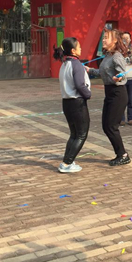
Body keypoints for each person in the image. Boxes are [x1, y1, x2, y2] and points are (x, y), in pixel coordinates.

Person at [86, 29, 131, 166]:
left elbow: (123, 75)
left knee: (111, 126)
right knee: (106, 126)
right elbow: (103, 72)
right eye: (103, 37)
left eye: (106, 37)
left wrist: (118, 78)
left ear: (115, 41)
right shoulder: (108, 56)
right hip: (109, 93)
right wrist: (89, 70)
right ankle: (120, 153)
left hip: (118, 93)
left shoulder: (117, 56)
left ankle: (123, 155)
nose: (104, 40)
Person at [54, 37, 91, 173]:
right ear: (73, 51)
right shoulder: (76, 64)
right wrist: (88, 94)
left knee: (74, 134)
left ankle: (68, 160)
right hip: (77, 103)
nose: (81, 49)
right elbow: (80, 85)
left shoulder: (65, 64)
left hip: (67, 103)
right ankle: (66, 163)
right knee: (81, 134)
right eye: (79, 47)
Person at [120, 31, 132, 126]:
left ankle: (131, 118)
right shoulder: (118, 51)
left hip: (131, 78)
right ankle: (121, 118)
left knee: (131, 100)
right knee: (122, 99)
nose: (125, 40)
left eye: (127, 38)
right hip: (122, 78)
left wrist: (128, 52)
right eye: (124, 38)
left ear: (130, 40)